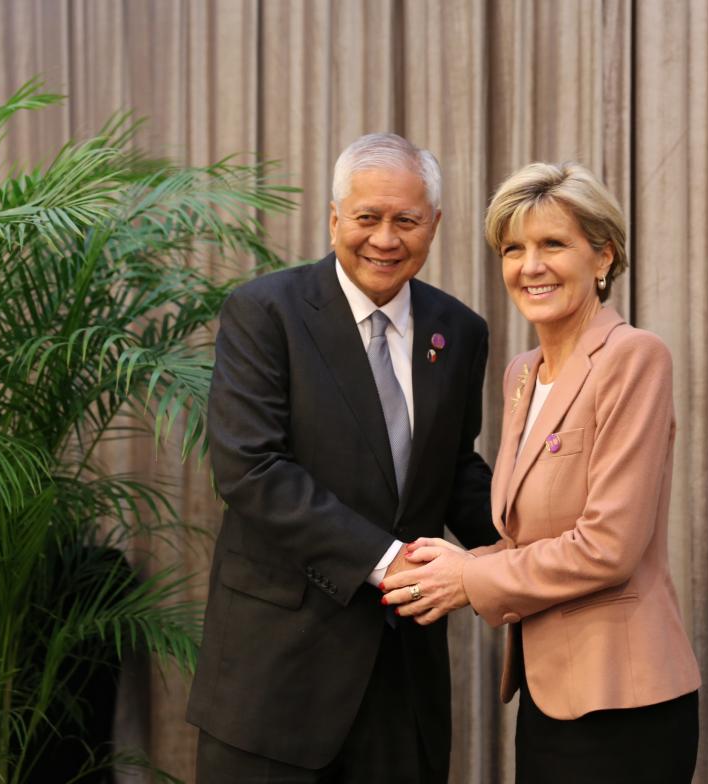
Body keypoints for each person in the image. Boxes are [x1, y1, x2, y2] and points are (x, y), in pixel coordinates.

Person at [186, 132, 499, 783]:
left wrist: (525, 553)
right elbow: (251, 468)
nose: (385, 238)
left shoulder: (459, 330)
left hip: (401, 682)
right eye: (367, 218)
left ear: (433, 225)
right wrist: (389, 563)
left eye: (406, 220)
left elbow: (454, 469)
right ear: (335, 219)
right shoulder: (264, 312)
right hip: (276, 679)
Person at [382, 162, 701, 783]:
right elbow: (529, 533)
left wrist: (470, 576)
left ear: (602, 257)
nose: (531, 266)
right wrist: (436, 566)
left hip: (622, 699)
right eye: (513, 249)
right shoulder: (522, 374)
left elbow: (608, 547)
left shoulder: (634, 358)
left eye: (553, 244)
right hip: (546, 692)